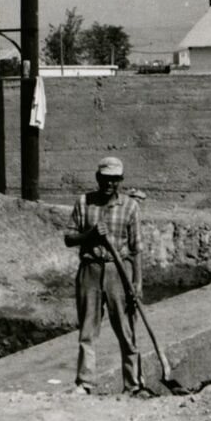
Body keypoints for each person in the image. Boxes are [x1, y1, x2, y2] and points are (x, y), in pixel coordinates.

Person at [63, 156, 148, 397]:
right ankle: (85, 383)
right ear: (98, 178)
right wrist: (90, 234)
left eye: (115, 180)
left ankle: (133, 384)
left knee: (126, 330)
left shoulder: (130, 207)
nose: (110, 184)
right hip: (90, 270)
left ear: (120, 181)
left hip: (118, 271)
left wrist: (138, 282)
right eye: (106, 179)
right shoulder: (84, 203)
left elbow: (136, 249)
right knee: (88, 330)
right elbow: (69, 238)